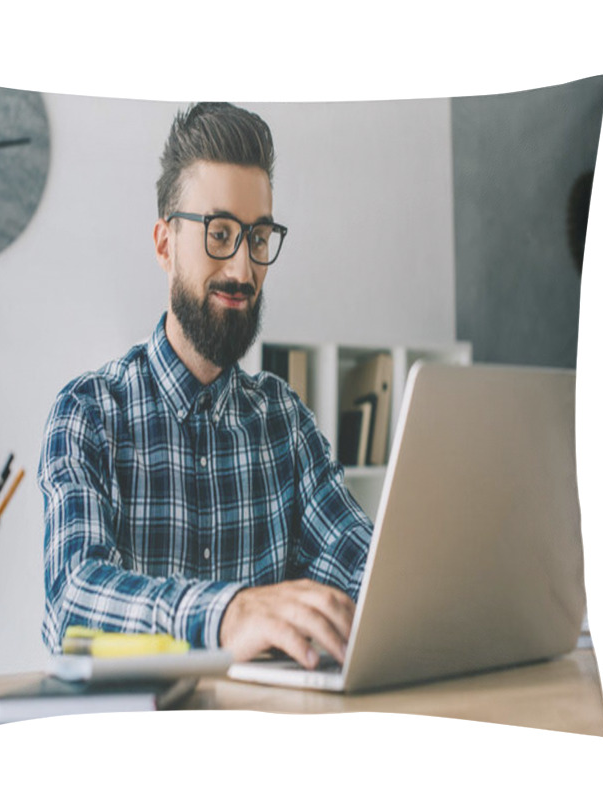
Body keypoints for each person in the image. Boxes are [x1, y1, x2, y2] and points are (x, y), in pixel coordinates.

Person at [38, 102, 373, 670]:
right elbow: (72, 602)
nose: (243, 269)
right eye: (220, 233)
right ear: (165, 244)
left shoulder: (284, 422)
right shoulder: (89, 413)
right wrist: (226, 614)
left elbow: (363, 566)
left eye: (259, 237)